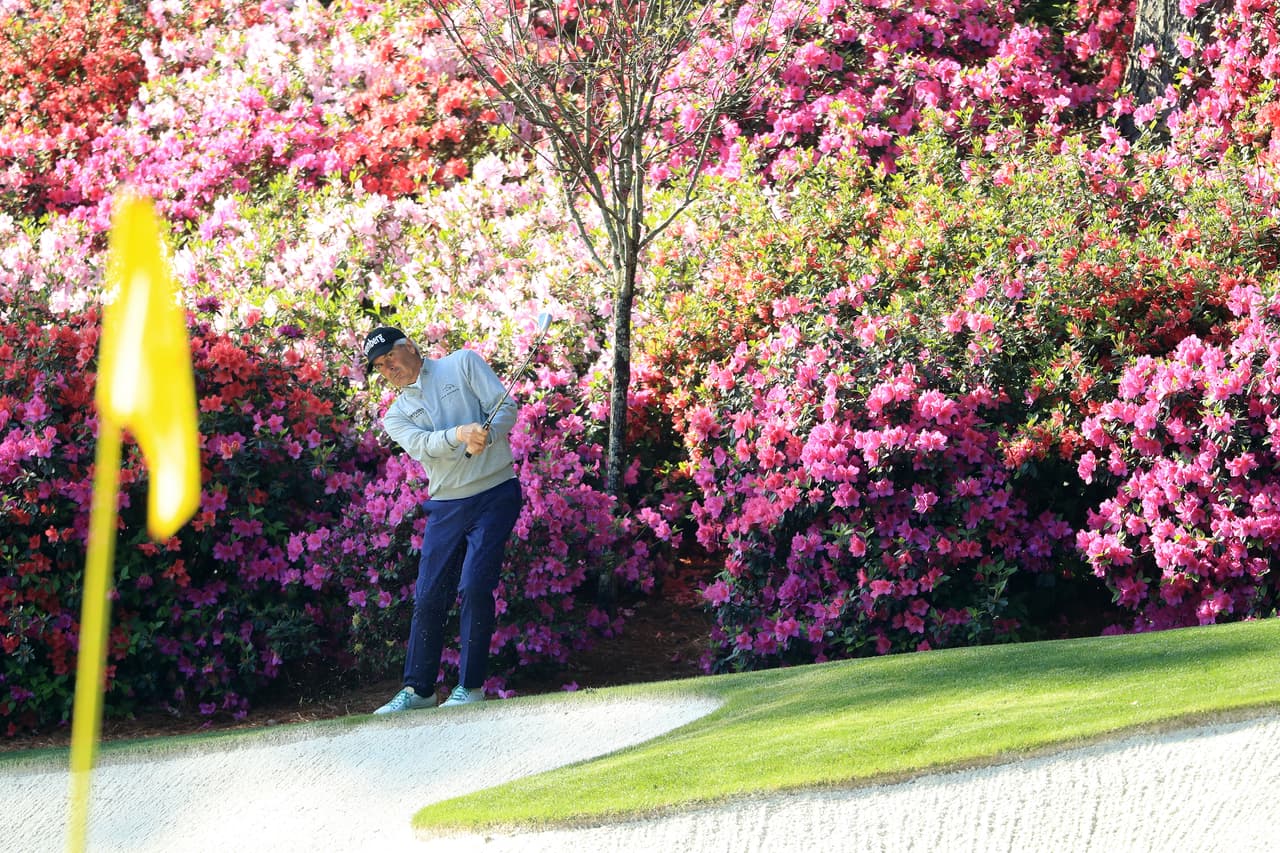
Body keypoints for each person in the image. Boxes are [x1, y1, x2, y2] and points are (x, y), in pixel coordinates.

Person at [362, 326, 524, 712]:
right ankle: (420, 690)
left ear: (412, 347)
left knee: (473, 586)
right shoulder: (396, 415)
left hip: (495, 493)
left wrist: (491, 431)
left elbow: (506, 409)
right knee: (430, 594)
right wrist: (460, 433)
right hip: (446, 505)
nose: (389, 368)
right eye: (381, 366)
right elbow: (423, 446)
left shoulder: (462, 364)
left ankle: (470, 687)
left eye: (391, 357)